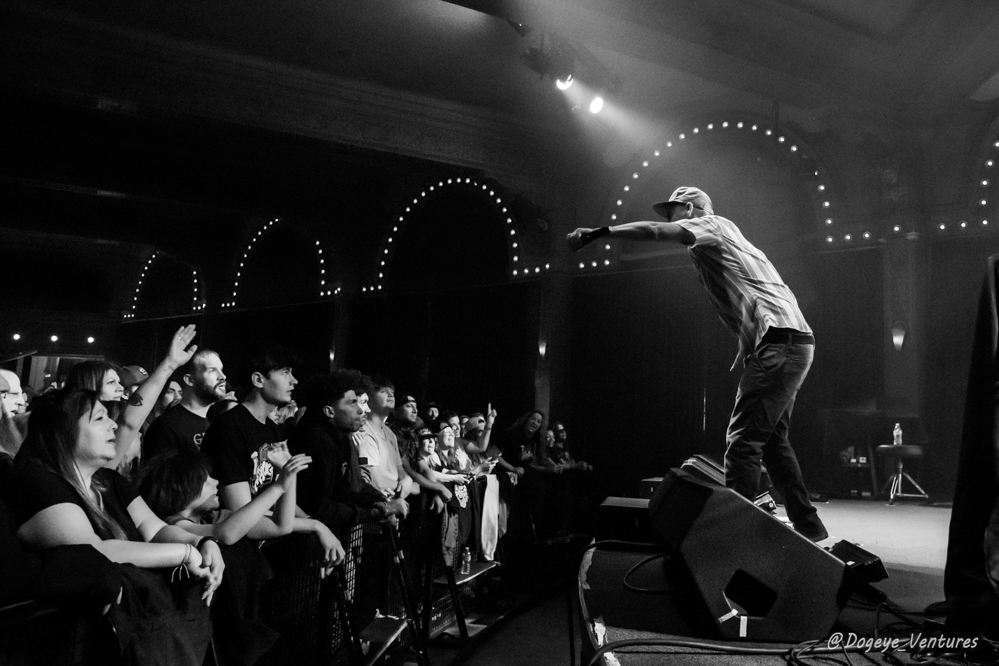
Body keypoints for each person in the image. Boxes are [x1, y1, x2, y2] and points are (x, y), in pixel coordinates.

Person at [567, 185, 827, 542]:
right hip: (793, 341)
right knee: (772, 441)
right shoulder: (731, 244)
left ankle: (737, 533)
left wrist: (600, 232)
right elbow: (761, 294)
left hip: (779, 344)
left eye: (672, 212)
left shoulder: (713, 225)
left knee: (742, 441)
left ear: (689, 209)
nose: (669, 221)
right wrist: (747, 342)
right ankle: (808, 525)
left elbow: (655, 231)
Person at [10, 388, 222, 664]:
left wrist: (202, 544)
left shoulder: (108, 480)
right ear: (63, 431)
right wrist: (183, 553)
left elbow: (154, 528)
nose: (113, 424)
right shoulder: (39, 481)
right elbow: (92, 553)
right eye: (99, 419)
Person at [200, 346, 344, 572]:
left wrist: (316, 526)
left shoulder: (273, 430)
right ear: (258, 379)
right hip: (233, 557)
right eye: (285, 373)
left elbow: (281, 494)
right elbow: (243, 515)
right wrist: (313, 526)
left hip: (266, 548)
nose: (294, 381)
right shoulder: (230, 428)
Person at [291, 370, 408, 537]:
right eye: (352, 403)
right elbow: (319, 507)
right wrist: (373, 512)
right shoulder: (316, 441)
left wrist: (380, 502)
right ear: (329, 412)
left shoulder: (340, 438)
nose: (361, 410)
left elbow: (347, 489)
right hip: (305, 541)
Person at [143, 349, 228, 462]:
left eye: (221, 370)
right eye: (212, 370)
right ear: (189, 380)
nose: (222, 376)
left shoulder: (210, 424)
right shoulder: (166, 427)